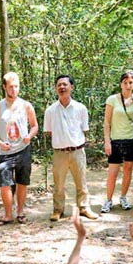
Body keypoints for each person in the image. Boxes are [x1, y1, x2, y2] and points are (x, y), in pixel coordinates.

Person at [44, 75, 98, 221]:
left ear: (71, 87)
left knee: (81, 181)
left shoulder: (81, 108)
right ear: (56, 89)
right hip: (59, 153)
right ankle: (58, 210)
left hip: (78, 151)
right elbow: (49, 132)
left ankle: (84, 208)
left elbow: (84, 129)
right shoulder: (50, 111)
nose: (62, 87)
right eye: (59, 85)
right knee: (59, 184)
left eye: (65, 85)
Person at [0, 72, 39, 225]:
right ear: (4, 87)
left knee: (22, 181)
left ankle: (20, 212)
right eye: (11, 87)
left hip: (23, 149)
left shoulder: (26, 105)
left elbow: (35, 125)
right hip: (5, 152)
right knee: (5, 184)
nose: (14, 90)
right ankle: (8, 214)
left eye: (16, 86)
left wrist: (29, 136)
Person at [100, 70, 133, 213]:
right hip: (116, 140)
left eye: (130, 82)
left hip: (132, 139)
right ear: (121, 84)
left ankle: (123, 197)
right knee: (113, 172)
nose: (128, 85)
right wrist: (107, 141)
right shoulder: (112, 99)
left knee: (128, 169)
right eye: (125, 82)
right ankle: (108, 200)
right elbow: (107, 122)